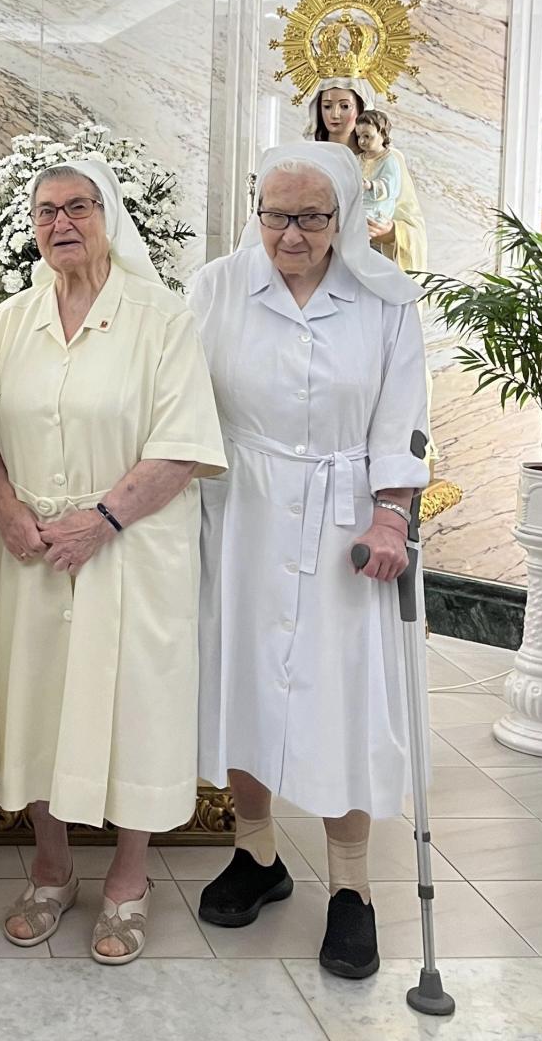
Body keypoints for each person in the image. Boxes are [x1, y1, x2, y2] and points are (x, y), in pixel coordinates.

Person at [0, 158, 226, 964]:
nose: (62, 223)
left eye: (78, 206)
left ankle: (128, 880)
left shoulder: (161, 318)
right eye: (46, 211)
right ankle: (51, 870)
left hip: (130, 546)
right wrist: (6, 507)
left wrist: (104, 518)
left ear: (109, 215)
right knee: (38, 703)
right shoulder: (8, 320)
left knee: (134, 707)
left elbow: (183, 445)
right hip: (32, 547)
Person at [191, 142, 429, 980]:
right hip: (242, 512)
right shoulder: (216, 287)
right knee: (243, 680)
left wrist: (392, 516)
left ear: (345, 217)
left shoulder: (386, 299)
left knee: (343, 696)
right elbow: (177, 397)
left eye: (310, 217)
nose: (289, 234)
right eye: (275, 215)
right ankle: (256, 853)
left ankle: (352, 889)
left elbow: (403, 416)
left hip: (346, 522)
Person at [306, 77, 426, 272]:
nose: (335, 114)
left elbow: (414, 226)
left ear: (361, 110)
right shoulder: (308, 158)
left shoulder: (388, 159)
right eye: (327, 106)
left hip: (368, 259)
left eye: (345, 106)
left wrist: (389, 232)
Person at [355, 111, 401, 227]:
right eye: (359, 136)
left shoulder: (388, 160)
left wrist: (371, 185)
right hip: (358, 206)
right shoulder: (358, 159)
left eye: (367, 136)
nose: (361, 141)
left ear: (383, 135)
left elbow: (392, 185)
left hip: (377, 211)